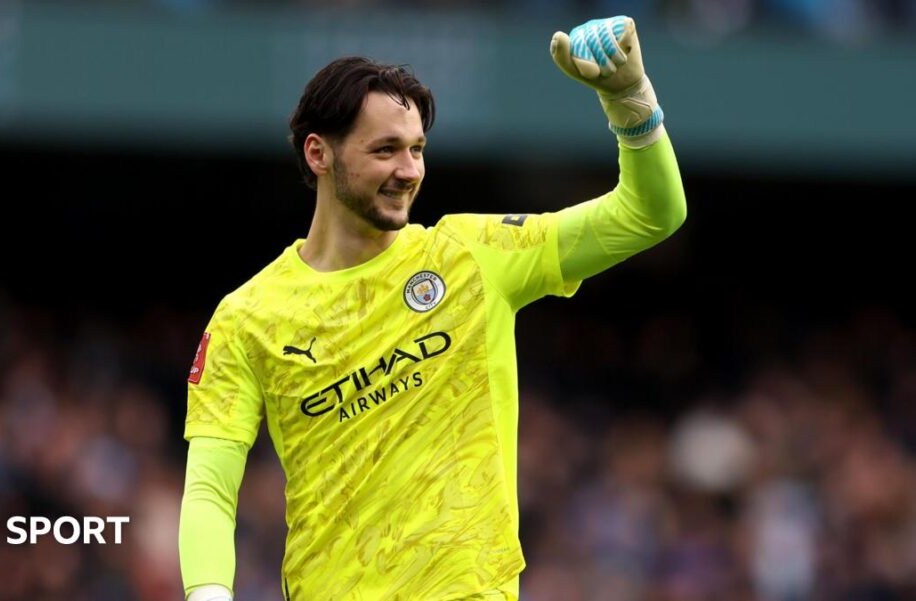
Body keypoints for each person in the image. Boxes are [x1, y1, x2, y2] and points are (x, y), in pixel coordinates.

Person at [179, 15, 686, 601]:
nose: (409, 171)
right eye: (386, 150)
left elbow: (650, 215)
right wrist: (209, 593)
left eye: (417, 149)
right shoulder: (248, 316)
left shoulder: (471, 257)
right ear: (319, 153)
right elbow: (211, 490)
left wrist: (629, 98)